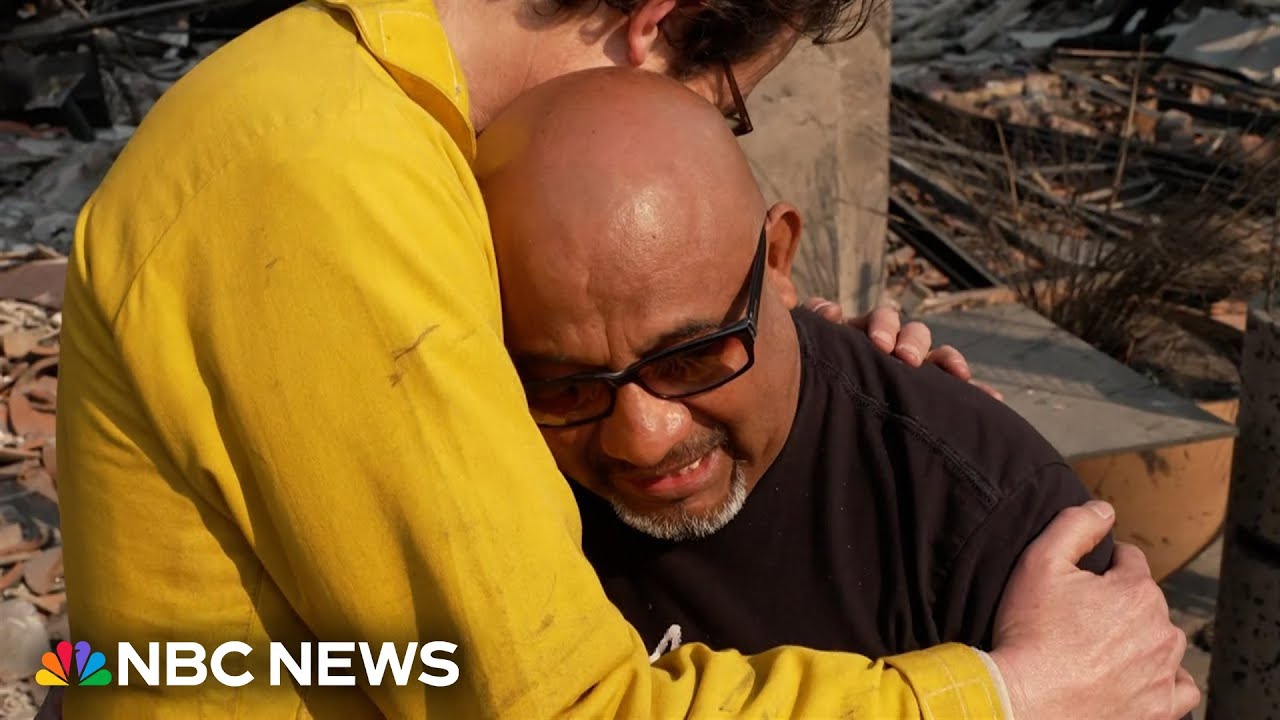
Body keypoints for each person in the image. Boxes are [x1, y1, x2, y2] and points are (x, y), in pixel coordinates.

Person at [55, 0, 1191, 717]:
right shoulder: (329, 185)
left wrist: (819, 395)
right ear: (657, 26)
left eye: (692, 350)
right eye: (727, 103)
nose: (639, 424)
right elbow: (551, 706)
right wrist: (1002, 694)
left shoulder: (357, 120)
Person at [479, 67, 1201, 718]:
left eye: (691, 357)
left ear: (779, 260)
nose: (642, 435)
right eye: (566, 387)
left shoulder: (992, 527)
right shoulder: (474, 460)